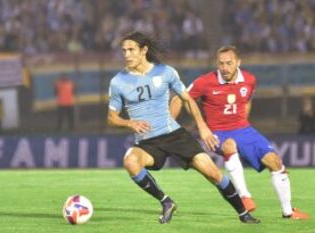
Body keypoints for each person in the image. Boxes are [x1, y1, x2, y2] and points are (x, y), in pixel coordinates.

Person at [107, 32, 259, 224]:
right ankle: (166, 202)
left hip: (174, 135)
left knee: (213, 173)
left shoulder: (165, 72)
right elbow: (111, 118)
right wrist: (129, 123)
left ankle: (243, 214)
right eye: (124, 50)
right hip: (147, 142)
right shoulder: (118, 82)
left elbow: (187, 99)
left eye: (131, 50)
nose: (126, 54)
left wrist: (202, 127)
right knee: (130, 161)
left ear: (144, 50)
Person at [170, 45, 309, 220]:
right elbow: (180, 99)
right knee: (230, 145)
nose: (224, 68)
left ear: (238, 62)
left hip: (244, 129)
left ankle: (288, 212)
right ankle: (244, 196)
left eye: (229, 63)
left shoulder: (250, 80)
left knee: (275, 162)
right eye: (221, 64)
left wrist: (244, 122)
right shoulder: (205, 82)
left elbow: (247, 100)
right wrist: (174, 126)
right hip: (218, 131)